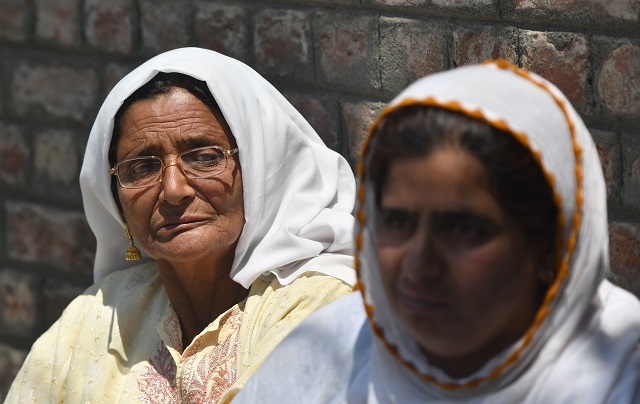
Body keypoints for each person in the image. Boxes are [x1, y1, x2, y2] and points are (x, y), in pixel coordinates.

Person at [232, 60, 640, 403]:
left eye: (464, 229)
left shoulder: (619, 375)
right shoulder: (328, 352)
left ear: (551, 250)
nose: (420, 263)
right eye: (398, 222)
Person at [5, 47, 356, 403]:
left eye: (205, 157)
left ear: (260, 170)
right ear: (117, 202)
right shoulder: (98, 315)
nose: (173, 190)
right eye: (142, 168)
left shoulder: (325, 307)